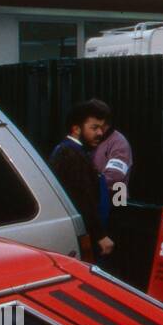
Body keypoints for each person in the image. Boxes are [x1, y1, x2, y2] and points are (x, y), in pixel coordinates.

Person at [48, 100, 114, 258]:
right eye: (94, 127)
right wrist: (100, 235)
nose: (100, 133)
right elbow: (82, 199)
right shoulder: (71, 154)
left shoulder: (71, 150)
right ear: (76, 128)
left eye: (102, 127)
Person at [88, 100, 133, 231]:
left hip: (115, 207)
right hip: (98, 207)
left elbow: (114, 178)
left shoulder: (118, 143)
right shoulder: (93, 141)